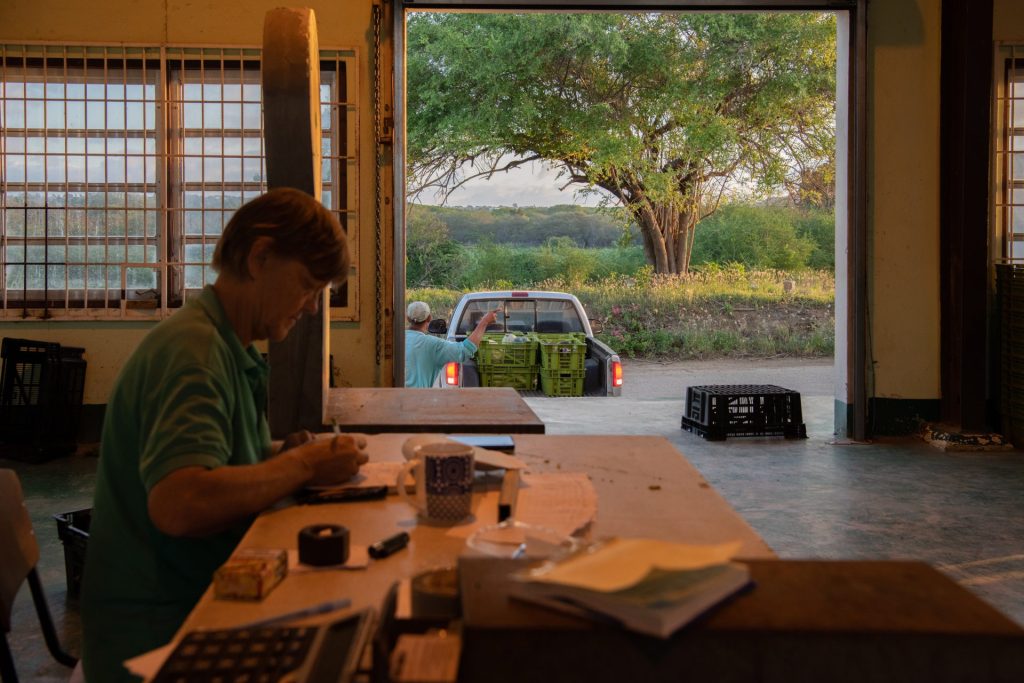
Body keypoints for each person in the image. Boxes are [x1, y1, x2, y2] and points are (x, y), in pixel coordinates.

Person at [80, 188, 369, 682]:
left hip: (199, 598)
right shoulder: (194, 353)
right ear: (260, 257)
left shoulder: (224, 343)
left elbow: (219, 464)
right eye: (306, 285)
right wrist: (299, 467)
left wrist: (280, 454)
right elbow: (180, 502)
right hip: (161, 634)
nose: (312, 309)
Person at [405, 301, 498, 387]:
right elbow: (466, 350)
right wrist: (484, 322)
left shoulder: (395, 340)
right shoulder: (433, 345)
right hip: (418, 401)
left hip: (394, 399)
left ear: (407, 318)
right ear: (429, 318)